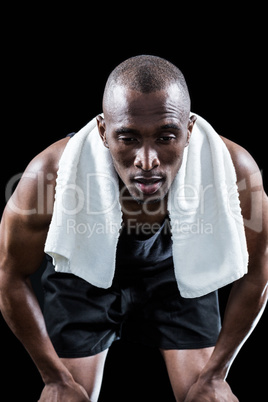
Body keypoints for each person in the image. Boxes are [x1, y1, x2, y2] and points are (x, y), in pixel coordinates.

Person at [0, 55, 267, 402]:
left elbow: (258, 274)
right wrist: (54, 379)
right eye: (127, 138)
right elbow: (9, 277)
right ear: (102, 131)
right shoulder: (49, 174)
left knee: (210, 397)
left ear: (188, 130)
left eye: (166, 136)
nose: (146, 160)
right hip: (84, 275)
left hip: (177, 271)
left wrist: (217, 374)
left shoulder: (236, 170)